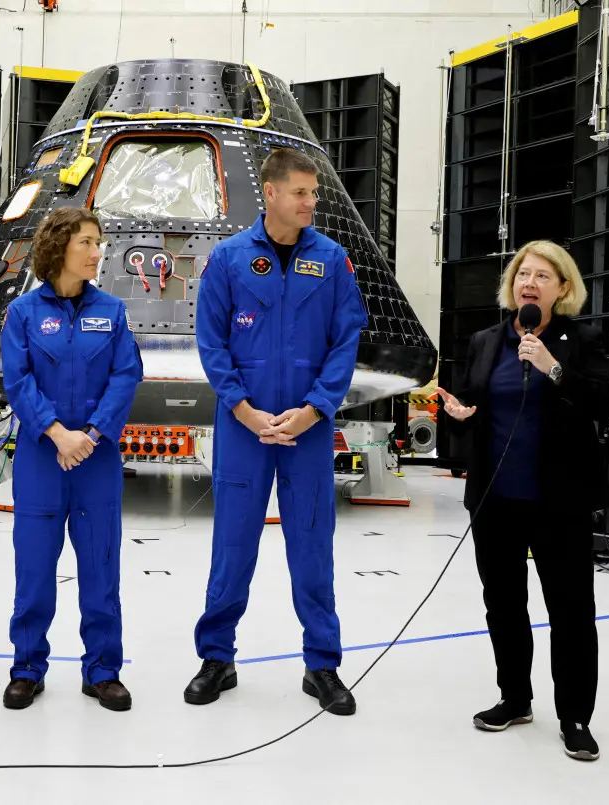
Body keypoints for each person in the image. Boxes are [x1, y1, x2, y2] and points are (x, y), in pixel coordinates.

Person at [183, 148, 367, 714]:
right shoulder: (230, 259)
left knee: (312, 547)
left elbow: (345, 341)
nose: (311, 202)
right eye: (302, 192)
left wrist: (314, 410)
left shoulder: (333, 261)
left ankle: (322, 665)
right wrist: (242, 410)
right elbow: (211, 342)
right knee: (232, 545)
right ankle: (217, 657)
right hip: (245, 428)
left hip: (308, 430)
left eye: (314, 193)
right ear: (271, 193)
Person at [436, 240, 609, 762]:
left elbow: (602, 401)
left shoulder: (581, 338)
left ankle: (575, 716)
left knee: (571, 610)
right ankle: (515, 698)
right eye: (521, 275)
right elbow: (470, 402)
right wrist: (459, 414)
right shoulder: (488, 341)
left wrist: (552, 366)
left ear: (563, 288)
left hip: (560, 501)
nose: (528, 283)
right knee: (504, 604)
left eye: (541, 275)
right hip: (496, 500)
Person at [0, 207, 143, 711]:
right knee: (34, 567)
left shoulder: (114, 312)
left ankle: (103, 669)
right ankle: (27, 667)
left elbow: (126, 376)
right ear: (59, 246)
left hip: (97, 457)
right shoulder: (23, 314)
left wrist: (94, 433)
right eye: (87, 242)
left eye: (98, 242)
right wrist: (58, 434)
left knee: (101, 565)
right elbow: (18, 381)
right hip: (43, 456)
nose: (97, 251)